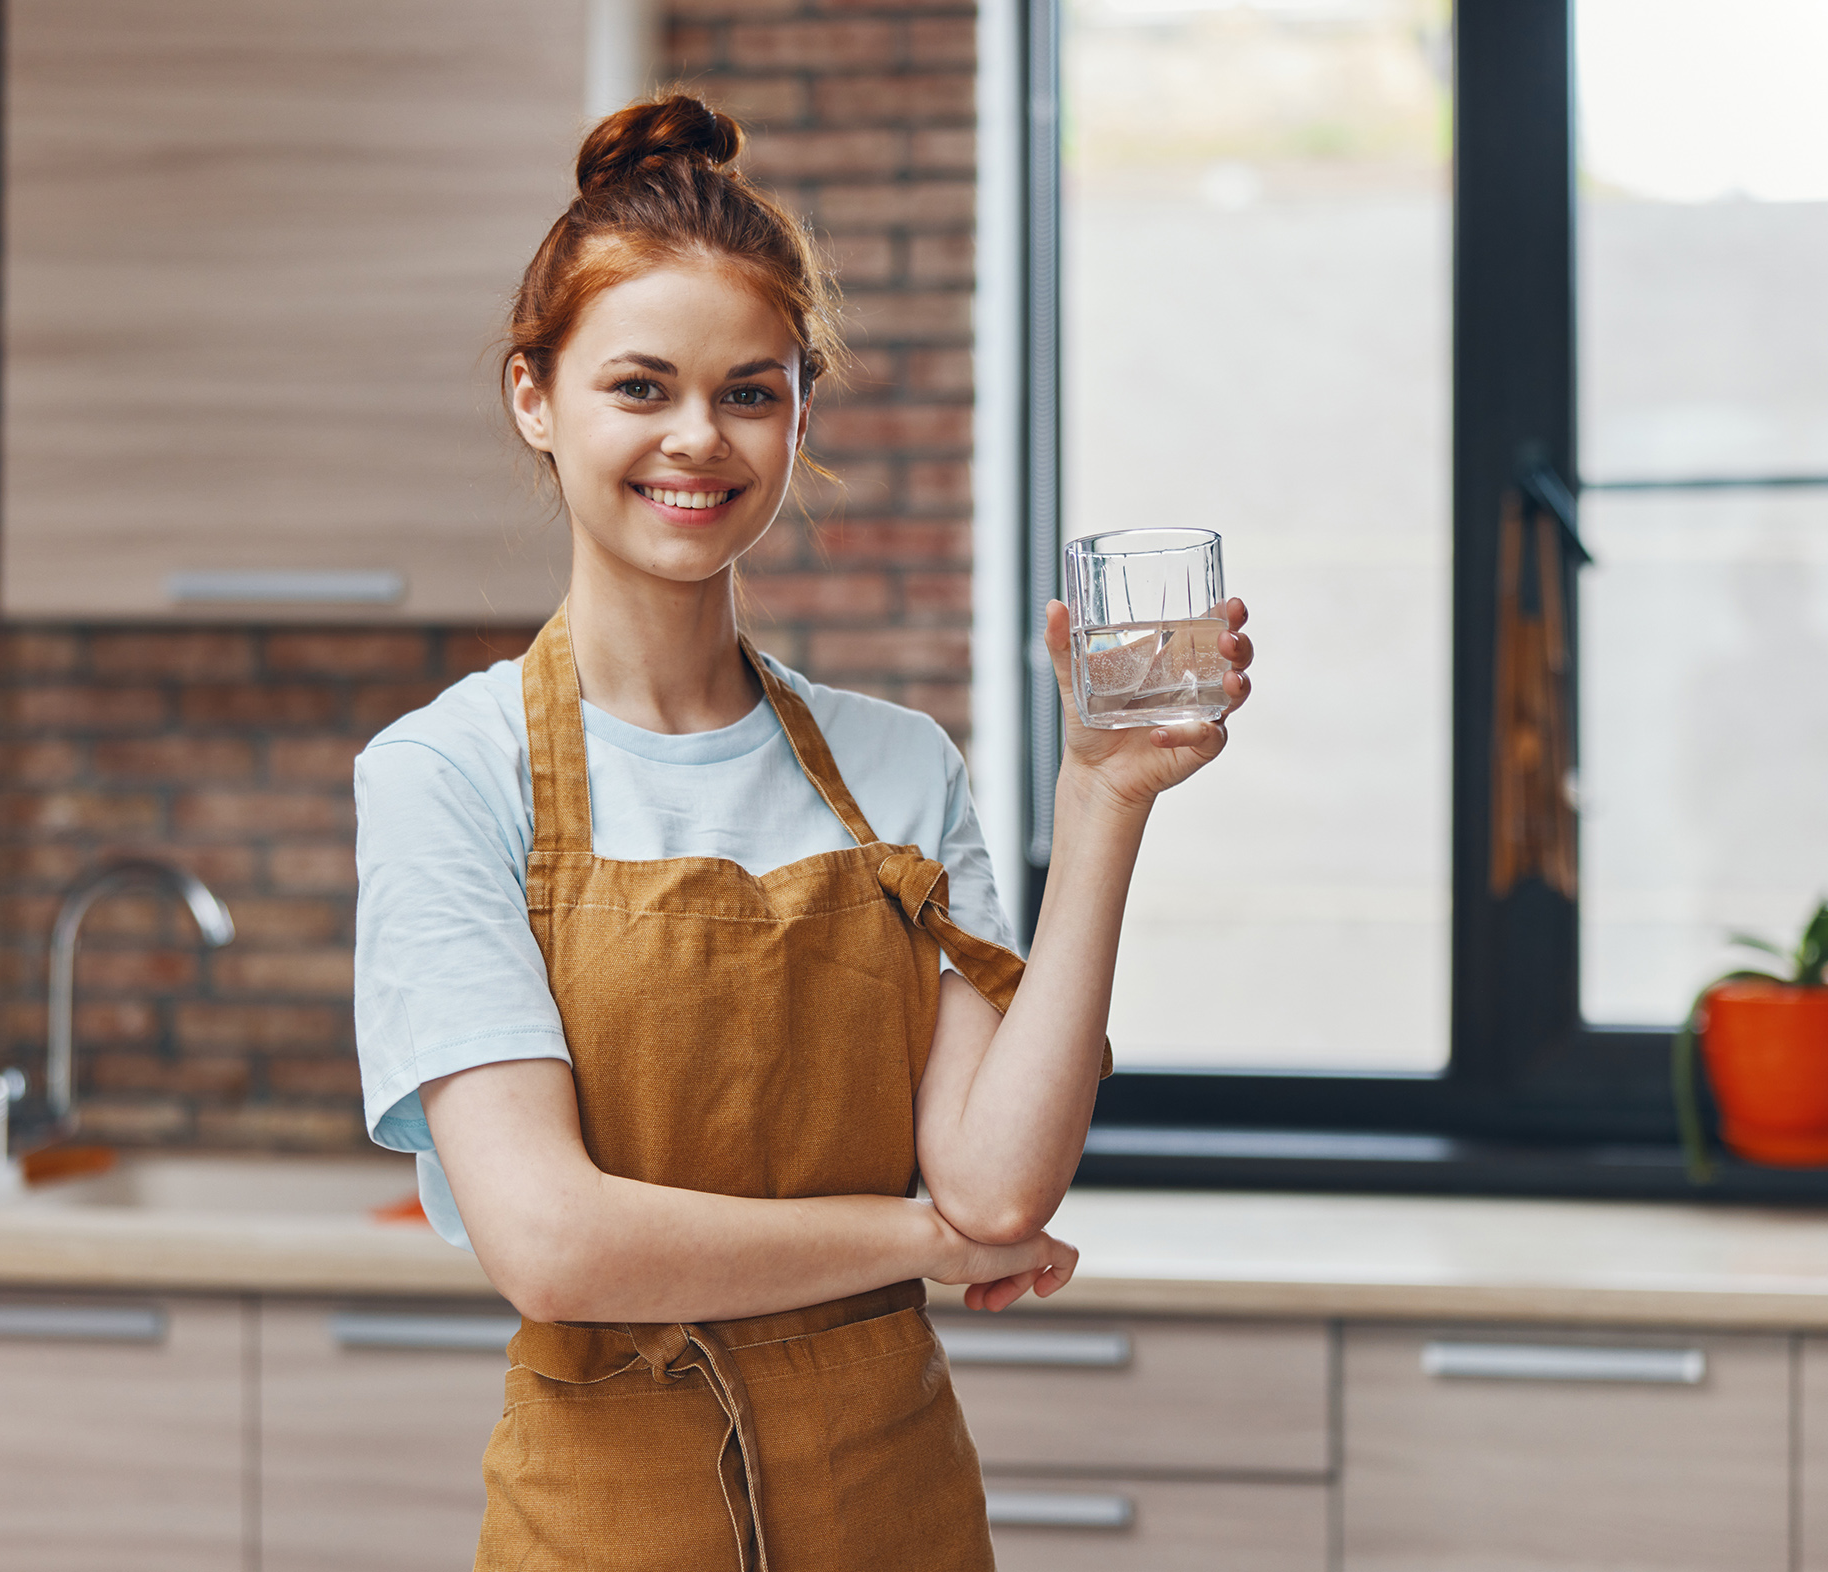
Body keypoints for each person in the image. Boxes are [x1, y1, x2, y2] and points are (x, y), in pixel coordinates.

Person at [352, 92, 1252, 1571]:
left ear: (799, 412)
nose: (696, 440)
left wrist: (1098, 801)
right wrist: (915, 1246)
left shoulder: (900, 769)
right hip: (607, 1519)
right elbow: (552, 1243)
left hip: (893, 1505)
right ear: (537, 397)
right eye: (638, 387)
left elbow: (999, 1184)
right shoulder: (452, 773)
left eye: (749, 392)